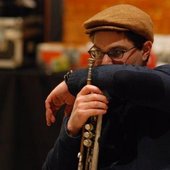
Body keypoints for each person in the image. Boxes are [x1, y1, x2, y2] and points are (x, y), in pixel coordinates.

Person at [42, 4, 170, 170]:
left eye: (116, 52)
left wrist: (73, 80)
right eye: (98, 53)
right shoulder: (89, 95)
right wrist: (71, 132)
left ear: (146, 50)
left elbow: (123, 77)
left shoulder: (163, 80)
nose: (104, 63)